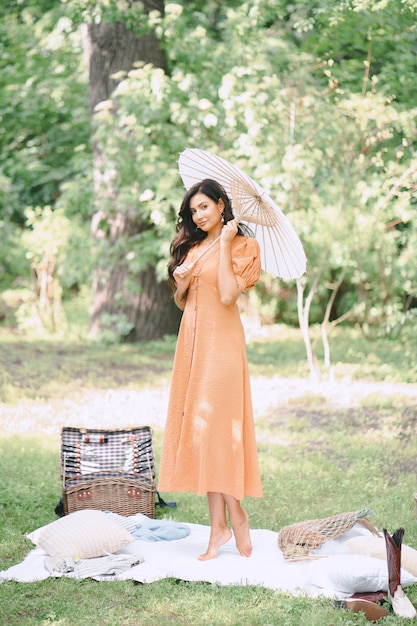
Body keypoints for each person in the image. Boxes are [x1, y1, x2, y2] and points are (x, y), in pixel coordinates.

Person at [158, 178, 263, 560]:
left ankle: (234, 517)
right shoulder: (193, 246)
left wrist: (222, 244)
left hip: (222, 344)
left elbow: (227, 295)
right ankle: (221, 525)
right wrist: (182, 283)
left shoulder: (241, 246)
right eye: (193, 210)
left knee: (220, 429)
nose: (198, 215)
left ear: (221, 205)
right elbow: (183, 302)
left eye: (204, 207)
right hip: (193, 341)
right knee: (204, 430)